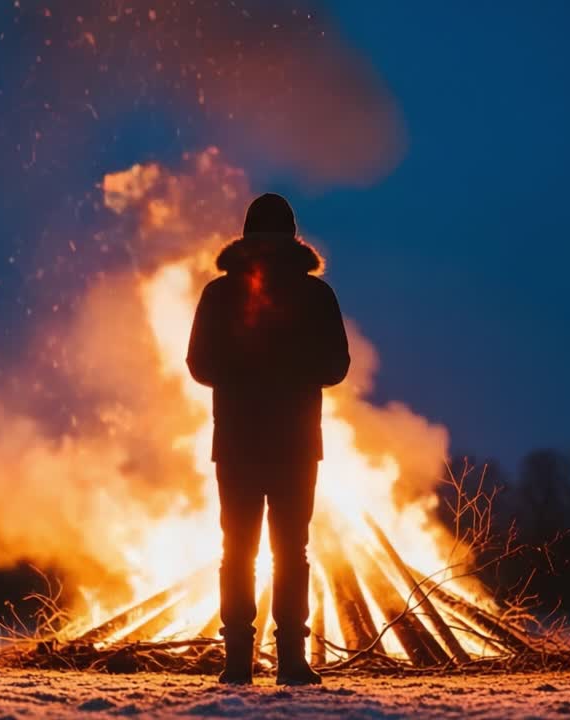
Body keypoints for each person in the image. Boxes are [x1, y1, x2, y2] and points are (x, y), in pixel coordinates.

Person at [186, 193, 350, 685]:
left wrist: (242, 375)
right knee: (291, 549)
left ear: (246, 235)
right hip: (296, 444)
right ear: (293, 236)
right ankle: (292, 662)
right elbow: (337, 367)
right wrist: (293, 372)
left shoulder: (219, 293)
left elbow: (198, 364)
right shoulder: (316, 295)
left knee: (237, 547)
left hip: (236, 441)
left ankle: (237, 660)